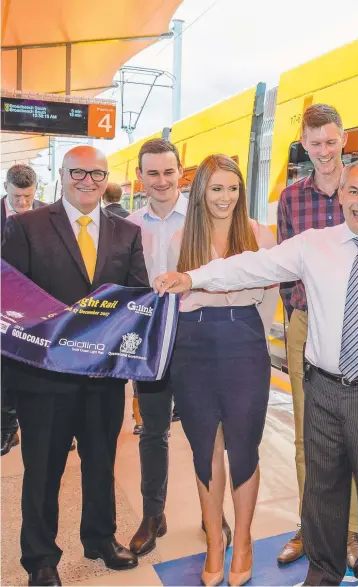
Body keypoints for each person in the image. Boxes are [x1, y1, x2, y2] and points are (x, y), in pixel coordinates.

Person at [154, 160, 358, 587]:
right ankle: (324, 573)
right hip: (323, 386)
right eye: (355, 192)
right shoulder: (314, 244)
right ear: (342, 194)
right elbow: (247, 268)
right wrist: (191, 276)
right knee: (322, 490)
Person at [2, 146, 149, 587]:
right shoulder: (25, 226)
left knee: (101, 463)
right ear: (62, 175)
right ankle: (41, 558)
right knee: (43, 471)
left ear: (107, 178)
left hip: (102, 378)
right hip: (44, 380)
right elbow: (11, 301)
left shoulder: (126, 233)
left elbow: (136, 297)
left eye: (97, 174)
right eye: (78, 173)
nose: (88, 181)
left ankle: (100, 538)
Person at [165, 154, 278, 586]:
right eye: (217, 188)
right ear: (201, 193)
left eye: (233, 188)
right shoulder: (180, 239)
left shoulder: (258, 235)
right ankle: (215, 542)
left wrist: (249, 332)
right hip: (192, 350)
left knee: (244, 449)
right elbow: (169, 304)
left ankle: (244, 541)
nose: (225, 197)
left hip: (244, 347)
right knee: (203, 450)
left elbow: (269, 297)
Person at [127, 139, 232, 557]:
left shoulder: (205, 219)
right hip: (151, 344)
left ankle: (213, 515)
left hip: (196, 340)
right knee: (152, 433)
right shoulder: (128, 225)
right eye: (152, 173)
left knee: (205, 433)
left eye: (168, 172)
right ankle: (154, 515)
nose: (161, 181)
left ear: (180, 172)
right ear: (140, 176)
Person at [277, 104, 358, 566]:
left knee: (355, 431)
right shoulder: (292, 198)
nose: (324, 152)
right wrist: (295, 312)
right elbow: (287, 265)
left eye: (331, 142)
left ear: (343, 139)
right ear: (304, 145)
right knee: (308, 432)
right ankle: (311, 525)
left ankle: (350, 531)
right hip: (307, 324)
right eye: (315, 144)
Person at [1, 164, 46, 457]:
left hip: (37, 308)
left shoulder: (47, 214)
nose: (23, 203)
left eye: (28, 196)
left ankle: (49, 428)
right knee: (5, 372)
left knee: (40, 369)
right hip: (3, 309)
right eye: (17, 196)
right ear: (6, 187)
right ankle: (7, 429)